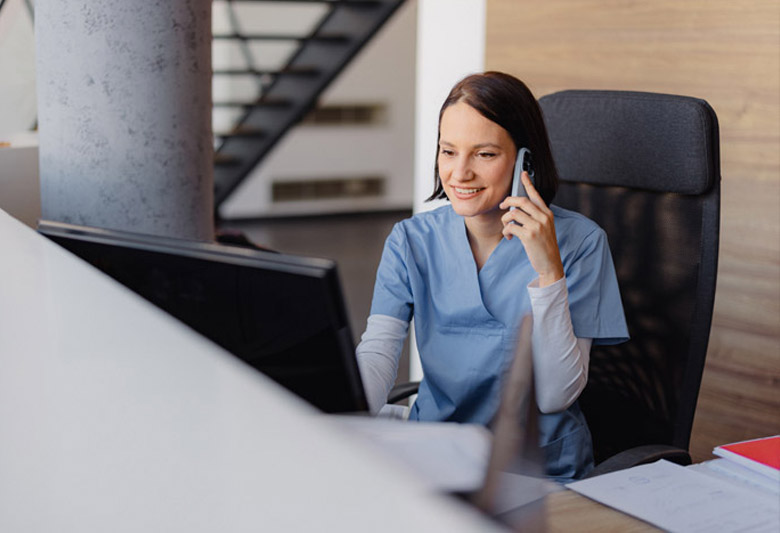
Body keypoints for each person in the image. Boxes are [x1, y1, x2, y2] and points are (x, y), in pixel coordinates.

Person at [355, 71, 628, 481]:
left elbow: (555, 395)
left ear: (525, 160)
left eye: (484, 154)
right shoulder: (411, 240)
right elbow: (378, 353)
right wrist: (334, 411)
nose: (459, 173)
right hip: (435, 460)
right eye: (449, 151)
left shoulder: (582, 244)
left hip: (536, 473)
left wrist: (548, 271)